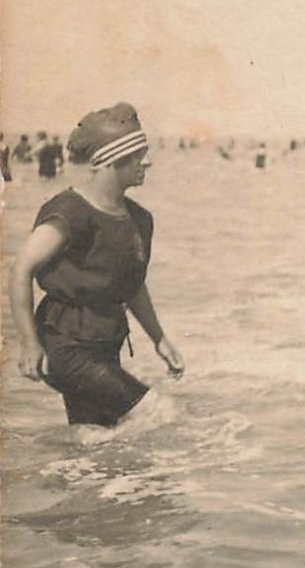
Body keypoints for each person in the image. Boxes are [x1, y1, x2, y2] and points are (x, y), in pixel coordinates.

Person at [8, 102, 184, 427]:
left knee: (94, 441)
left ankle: (78, 478)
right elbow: (20, 270)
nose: (147, 161)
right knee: (160, 415)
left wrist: (160, 339)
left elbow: (132, 287)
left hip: (106, 343)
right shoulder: (69, 211)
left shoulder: (140, 220)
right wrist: (29, 343)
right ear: (108, 161)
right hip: (63, 346)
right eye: (137, 154)